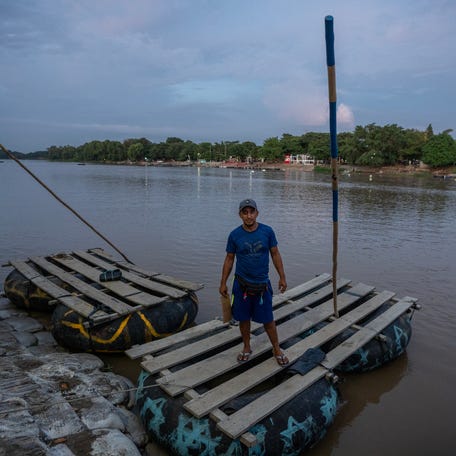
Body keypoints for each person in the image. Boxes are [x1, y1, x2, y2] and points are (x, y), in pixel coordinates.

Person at [219, 198, 289, 366]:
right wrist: (223, 283)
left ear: (257, 213)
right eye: (245, 212)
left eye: (252, 212)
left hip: (262, 285)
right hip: (241, 285)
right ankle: (247, 347)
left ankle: (276, 349)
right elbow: (229, 259)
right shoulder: (234, 235)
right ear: (240, 215)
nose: (249, 216)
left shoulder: (267, 232)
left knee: (268, 320)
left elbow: (275, 254)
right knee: (243, 319)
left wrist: (282, 276)